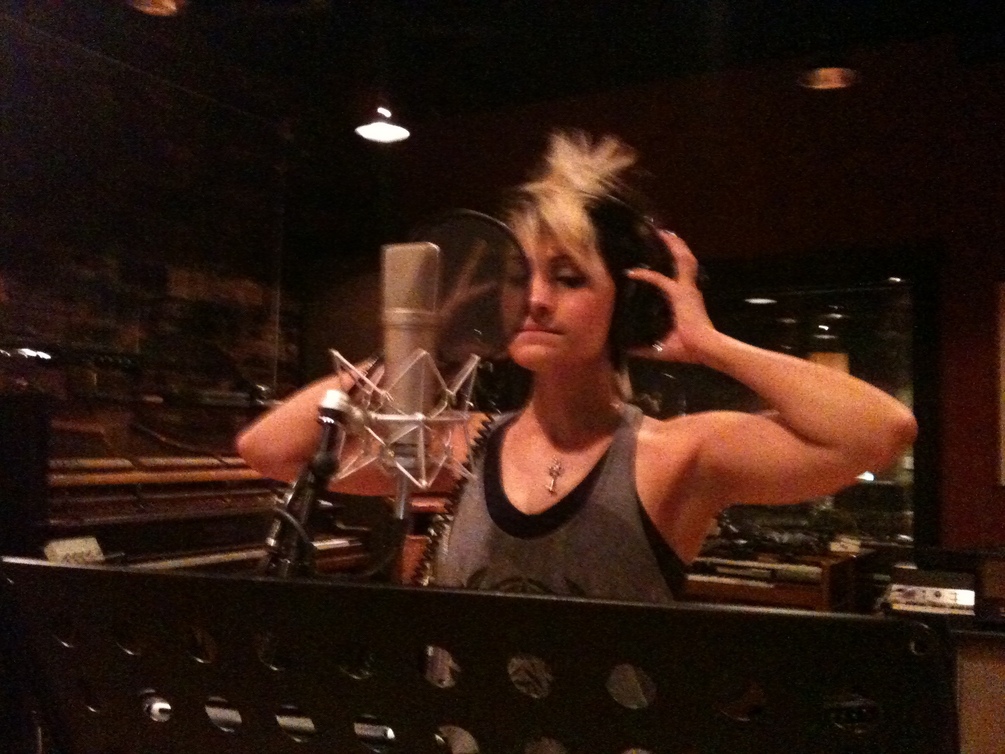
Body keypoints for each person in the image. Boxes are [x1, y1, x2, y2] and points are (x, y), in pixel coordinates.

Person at [236, 131, 917, 603]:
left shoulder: (672, 457)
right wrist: (420, 341)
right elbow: (270, 449)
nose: (534, 299)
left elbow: (879, 431)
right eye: (519, 278)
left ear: (624, 305)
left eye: (567, 278)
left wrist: (711, 343)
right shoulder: (459, 446)